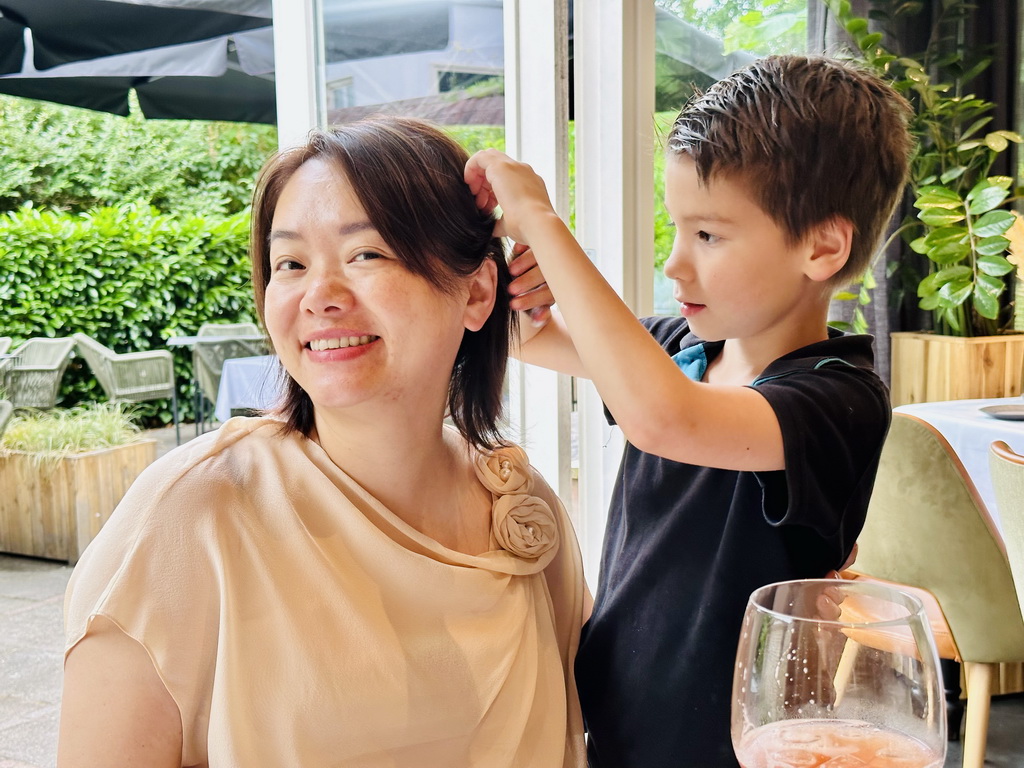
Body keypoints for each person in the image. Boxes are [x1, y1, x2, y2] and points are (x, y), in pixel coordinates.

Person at [57, 117, 587, 768]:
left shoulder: (523, 504)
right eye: (291, 264)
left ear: (477, 291)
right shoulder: (188, 518)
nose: (320, 297)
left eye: (366, 254)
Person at [464, 54, 914, 766]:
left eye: (708, 235)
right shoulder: (680, 345)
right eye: (678, 229)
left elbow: (665, 418)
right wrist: (500, 265)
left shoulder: (838, 397)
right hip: (623, 709)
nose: (676, 264)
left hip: (736, 740)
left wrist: (548, 223)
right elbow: (526, 335)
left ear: (822, 247)